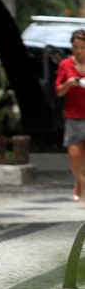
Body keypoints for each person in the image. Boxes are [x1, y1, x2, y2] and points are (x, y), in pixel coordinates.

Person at [55, 29, 85, 202]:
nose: (79, 51)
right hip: (74, 114)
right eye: (75, 47)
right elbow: (58, 91)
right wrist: (69, 83)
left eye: (82, 47)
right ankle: (79, 180)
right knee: (74, 153)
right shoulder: (65, 65)